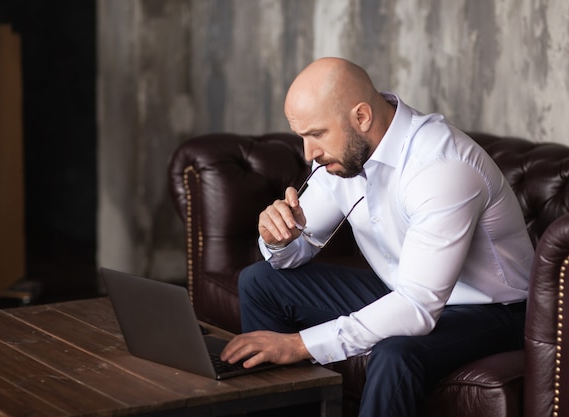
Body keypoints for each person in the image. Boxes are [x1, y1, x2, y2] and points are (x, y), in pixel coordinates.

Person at [220, 57, 534, 416]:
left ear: (362, 117)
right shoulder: (344, 155)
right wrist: (278, 238)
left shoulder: (441, 167)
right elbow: (299, 249)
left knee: (395, 354)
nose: (309, 154)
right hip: (404, 289)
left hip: (495, 312)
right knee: (260, 281)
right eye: (302, 137)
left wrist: (297, 345)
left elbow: (417, 307)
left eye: (317, 135)